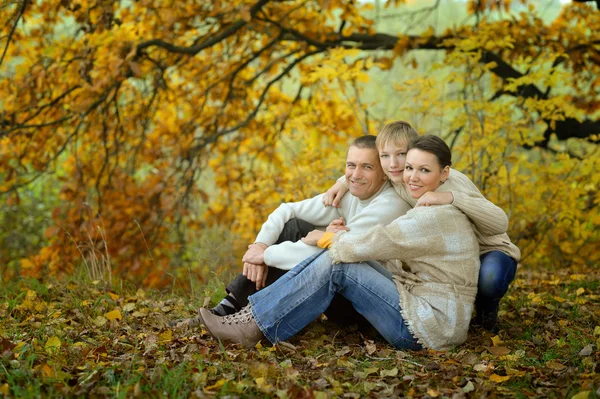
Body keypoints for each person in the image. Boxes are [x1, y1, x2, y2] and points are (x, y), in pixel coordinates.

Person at [198, 135, 481, 350]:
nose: (411, 177)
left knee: (340, 262)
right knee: (330, 249)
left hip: (430, 326)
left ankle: (253, 324)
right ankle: (241, 312)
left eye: (424, 171)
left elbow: (371, 242)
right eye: (409, 168)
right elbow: (367, 240)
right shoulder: (426, 204)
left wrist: (324, 237)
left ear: (444, 174)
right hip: (413, 298)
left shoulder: (434, 215)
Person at [323, 121, 520, 332]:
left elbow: (499, 222)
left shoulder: (449, 181)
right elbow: (365, 167)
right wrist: (342, 182)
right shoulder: (398, 179)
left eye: (401, 155)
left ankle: (486, 309)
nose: (393, 164)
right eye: (385, 156)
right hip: (449, 257)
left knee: (489, 278)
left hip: (488, 248)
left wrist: (451, 198)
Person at [210, 134, 412, 319]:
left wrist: (265, 255)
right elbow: (287, 210)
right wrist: (260, 245)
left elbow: (333, 254)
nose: (355, 175)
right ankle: (233, 305)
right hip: (339, 287)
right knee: (294, 226)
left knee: (325, 255)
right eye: (351, 165)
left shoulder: (390, 205)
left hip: (369, 308)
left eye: (367, 167)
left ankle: (251, 313)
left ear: (385, 173)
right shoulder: (350, 193)